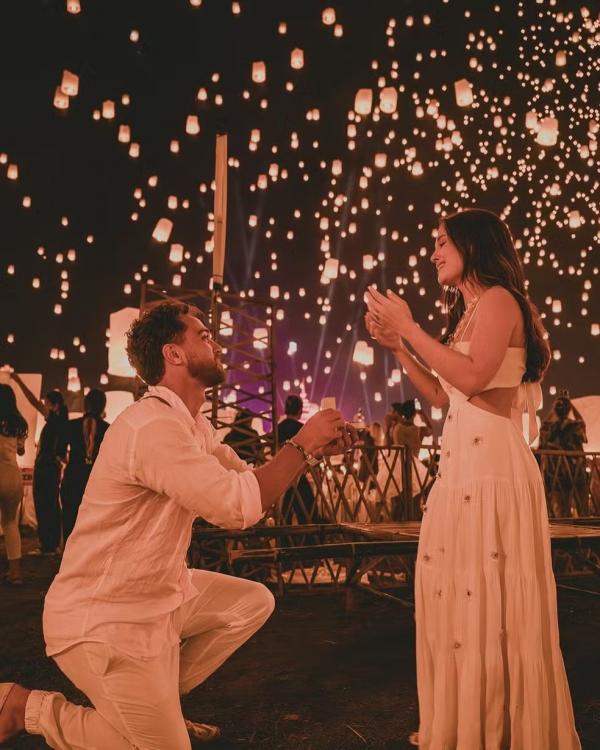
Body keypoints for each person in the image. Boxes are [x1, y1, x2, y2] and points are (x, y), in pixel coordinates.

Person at [0, 301, 354, 749]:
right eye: (203, 335)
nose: (215, 341)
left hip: (156, 598)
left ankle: (156, 704)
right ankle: (27, 708)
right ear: (175, 354)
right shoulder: (151, 427)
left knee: (251, 603)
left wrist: (313, 452)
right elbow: (237, 506)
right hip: (104, 619)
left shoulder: (192, 427)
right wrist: (302, 444)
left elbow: (248, 484)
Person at [366, 208, 580, 748]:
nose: (434, 252)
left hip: (492, 469)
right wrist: (398, 349)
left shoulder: (502, 301)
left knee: (491, 598)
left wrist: (410, 327)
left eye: (442, 242)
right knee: (457, 596)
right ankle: (465, 724)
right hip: (462, 466)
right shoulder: (469, 313)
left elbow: (473, 375)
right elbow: (444, 394)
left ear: (474, 246)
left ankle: (500, 730)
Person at [10, 374, 67, 556]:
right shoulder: (59, 422)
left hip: (46, 468)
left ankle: (48, 545)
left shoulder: (55, 420)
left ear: (54, 405)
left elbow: (33, 401)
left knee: (45, 504)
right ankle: (51, 545)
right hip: (50, 468)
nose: (44, 405)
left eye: (47, 403)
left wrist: (18, 381)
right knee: (49, 504)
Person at [59, 389, 110, 544]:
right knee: (95, 522)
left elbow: (60, 452)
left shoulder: (70, 426)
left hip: (73, 478)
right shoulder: (109, 428)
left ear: (85, 405)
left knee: (70, 519)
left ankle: (69, 558)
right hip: (97, 481)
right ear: (103, 407)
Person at [539, 392, 588, 517]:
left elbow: (543, 428)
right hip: (576, 472)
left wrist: (552, 410)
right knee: (582, 509)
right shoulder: (574, 426)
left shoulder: (551, 428)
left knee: (561, 511)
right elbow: (582, 422)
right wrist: (571, 405)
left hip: (558, 474)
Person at [277, 394, 321, 524]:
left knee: (286, 510)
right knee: (308, 510)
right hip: (298, 473)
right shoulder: (302, 429)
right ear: (300, 411)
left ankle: (285, 540)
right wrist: (316, 463)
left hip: (281, 474)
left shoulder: (278, 428)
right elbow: (311, 453)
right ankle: (308, 539)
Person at [0, 383, 28, 585]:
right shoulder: (18, 423)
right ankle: (15, 573)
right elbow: (21, 452)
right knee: (10, 524)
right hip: (12, 475)